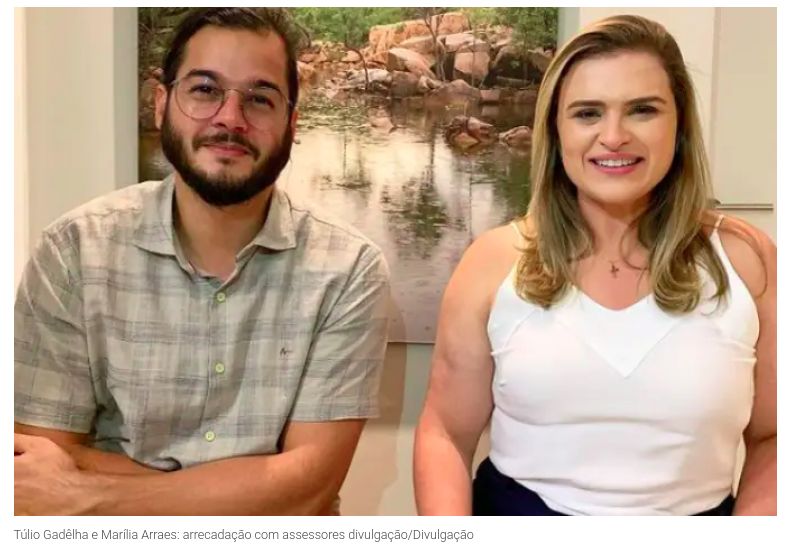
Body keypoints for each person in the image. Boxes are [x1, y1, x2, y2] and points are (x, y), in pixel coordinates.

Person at [14, 7, 391, 516]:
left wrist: (93, 492)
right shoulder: (74, 251)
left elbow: (309, 489)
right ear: (161, 104)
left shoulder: (348, 269)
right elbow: (37, 472)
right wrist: (257, 491)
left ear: (291, 124)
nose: (230, 118)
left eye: (259, 98)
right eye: (205, 90)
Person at [413, 15, 776, 516]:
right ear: (556, 130)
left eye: (642, 110)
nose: (614, 136)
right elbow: (445, 434)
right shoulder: (492, 262)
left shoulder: (747, 262)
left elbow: (773, 438)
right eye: (587, 113)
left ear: (679, 125)